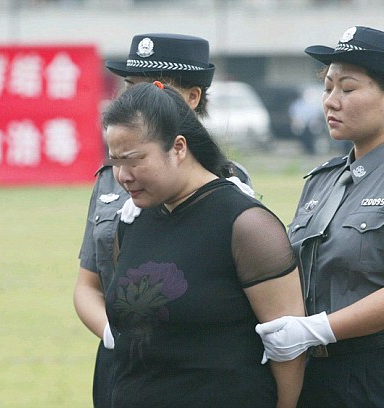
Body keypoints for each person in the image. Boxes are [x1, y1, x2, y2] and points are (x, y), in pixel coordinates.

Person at [256, 26, 384, 407]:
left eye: (347, 89)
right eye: (328, 87)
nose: (331, 101)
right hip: (320, 373)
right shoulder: (322, 181)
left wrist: (317, 329)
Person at [98, 81, 305, 407]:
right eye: (115, 162)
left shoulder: (247, 226)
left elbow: (289, 347)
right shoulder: (132, 222)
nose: (123, 175)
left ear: (178, 148)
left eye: (134, 159)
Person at [73, 33, 254, 408]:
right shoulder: (110, 179)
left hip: (194, 371)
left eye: (152, 88)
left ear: (191, 99)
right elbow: (88, 284)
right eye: (129, 88)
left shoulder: (229, 189)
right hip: (121, 363)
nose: (134, 101)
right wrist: (116, 335)